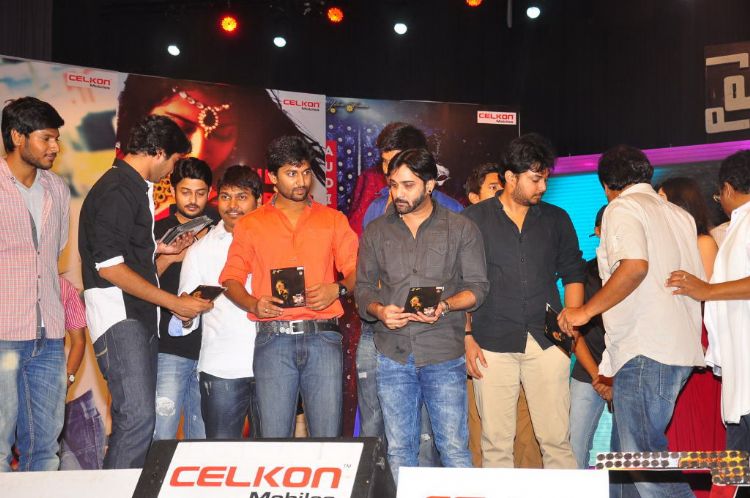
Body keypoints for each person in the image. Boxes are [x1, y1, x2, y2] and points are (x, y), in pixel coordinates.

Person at [559, 145, 705, 498]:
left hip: (645, 347)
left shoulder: (622, 207)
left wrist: (585, 311)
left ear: (606, 186)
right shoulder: (678, 215)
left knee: (641, 458)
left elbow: (635, 267)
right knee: (634, 456)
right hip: (678, 348)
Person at [78, 115, 213, 469]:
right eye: (173, 161)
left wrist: (156, 251)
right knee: (137, 420)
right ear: (158, 152)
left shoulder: (133, 187)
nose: (170, 171)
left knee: (138, 420)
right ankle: (117, 491)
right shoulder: (118, 189)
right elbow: (109, 267)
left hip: (134, 318)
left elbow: (120, 254)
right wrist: (173, 302)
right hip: (121, 318)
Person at [355, 148, 489, 481]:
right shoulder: (376, 231)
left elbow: (478, 288)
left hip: (443, 352)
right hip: (392, 353)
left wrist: (445, 305)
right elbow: (363, 289)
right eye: (393, 185)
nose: (398, 193)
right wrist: (380, 311)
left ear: (430, 185)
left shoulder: (461, 228)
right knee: (400, 450)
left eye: (408, 185)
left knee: (454, 448)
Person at [220, 136, 358, 438]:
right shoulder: (250, 224)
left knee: (328, 440)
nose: (301, 181)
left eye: (306, 172)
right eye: (292, 173)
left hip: (323, 338)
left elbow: (356, 271)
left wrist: (337, 289)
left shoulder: (333, 219)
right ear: (272, 176)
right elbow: (230, 279)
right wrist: (254, 304)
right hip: (273, 339)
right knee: (274, 440)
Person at [463, 133, 584, 470]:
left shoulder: (557, 218)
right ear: (510, 178)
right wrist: (467, 337)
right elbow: (462, 284)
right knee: (495, 445)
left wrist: (572, 321)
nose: (543, 186)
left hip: (548, 341)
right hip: (490, 342)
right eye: (535, 179)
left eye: (545, 178)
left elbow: (573, 272)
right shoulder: (473, 220)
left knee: (557, 442)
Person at [667, 151, 750, 461]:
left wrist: (708, 290)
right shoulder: (739, 224)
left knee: (735, 466)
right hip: (739, 366)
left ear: (727, 188)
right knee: (735, 467)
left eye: (718, 195)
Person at [0, 96, 68, 472]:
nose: (54, 147)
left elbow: (54, 251)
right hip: (3, 333)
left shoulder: (57, 188)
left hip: (49, 335)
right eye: (46, 138)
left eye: (56, 138)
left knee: (44, 450)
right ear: (17, 136)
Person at [463, 161, 542, 469]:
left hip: (529, 343)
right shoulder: (465, 233)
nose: (501, 194)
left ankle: (530, 487)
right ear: (473, 198)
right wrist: (467, 337)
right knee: (486, 432)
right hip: (484, 346)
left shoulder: (529, 228)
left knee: (530, 428)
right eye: (493, 188)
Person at [177, 165, 263, 439]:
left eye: (242, 197)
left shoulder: (276, 242)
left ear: (259, 200)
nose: (232, 205)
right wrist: (186, 313)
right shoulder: (201, 250)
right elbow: (184, 313)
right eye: (225, 197)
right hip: (221, 367)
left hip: (273, 365)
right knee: (220, 454)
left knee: (273, 453)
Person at [659, 176, 724, 497]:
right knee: (676, 426)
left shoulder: (703, 241)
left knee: (702, 423)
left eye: (662, 200)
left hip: (700, 339)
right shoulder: (662, 246)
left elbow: (708, 295)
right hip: (670, 339)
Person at [152, 157, 217, 441]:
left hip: (211, 349)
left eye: (200, 193)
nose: (193, 200)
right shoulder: (155, 231)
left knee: (202, 440)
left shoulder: (220, 233)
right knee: (162, 435)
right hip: (168, 348)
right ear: (172, 190)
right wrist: (170, 257)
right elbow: (137, 285)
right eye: (186, 192)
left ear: (209, 193)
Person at [568, 206, 611, 469]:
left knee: (630, 454)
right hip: (588, 370)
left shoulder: (640, 272)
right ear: (598, 231)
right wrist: (598, 377)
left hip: (630, 373)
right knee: (573, 448)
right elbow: (572, 330)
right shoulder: (582, 274)